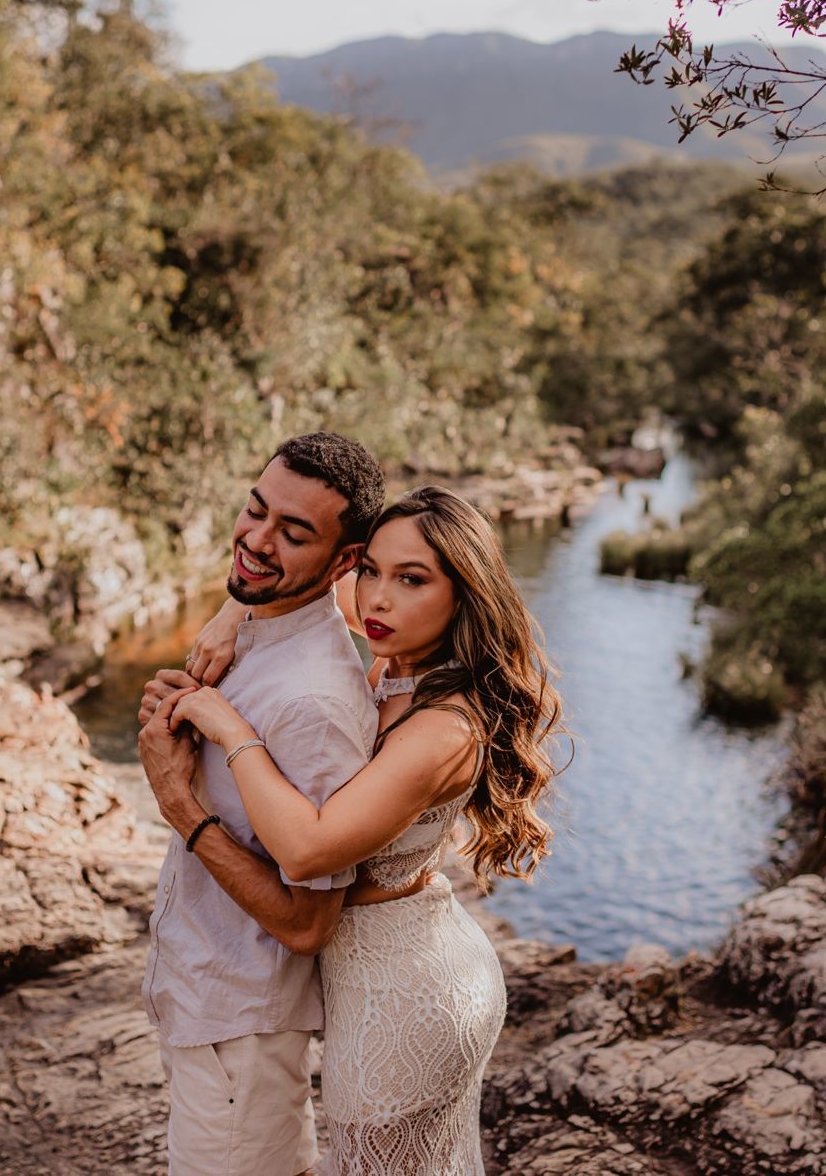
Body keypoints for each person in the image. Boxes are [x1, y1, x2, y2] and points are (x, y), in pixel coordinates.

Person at [142, 484, 564, 1176]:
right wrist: (228, 616)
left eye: (412, 579)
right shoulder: (395, 655)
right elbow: (294, 581)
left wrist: (228, 726)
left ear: (464, 593)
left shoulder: (443, 728)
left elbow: (308, 845)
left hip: (402, 994)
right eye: (371, 569)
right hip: (387, 968)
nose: (377, 599)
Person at [135, 431, 385, 1176]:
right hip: (207, 1012)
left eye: (293, 532)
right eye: (255, 511)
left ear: (345, 562)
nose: (256, 540)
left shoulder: (315, 706)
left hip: (241, 1035)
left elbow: (309, 921)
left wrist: (180, 805)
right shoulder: (258, 625)